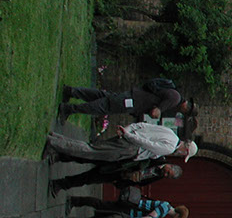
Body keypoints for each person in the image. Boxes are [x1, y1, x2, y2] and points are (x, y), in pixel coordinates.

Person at [45, 122, 197, 165]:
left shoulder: (170, 132)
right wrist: (128, 135)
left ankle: (57, 138)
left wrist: (128, 130)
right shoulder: (169, 148)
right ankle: (54, 143)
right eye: (183, 154)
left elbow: (144, 125)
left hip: (129, 138)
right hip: (131, 147)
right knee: (91, 151)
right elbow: (146, 144)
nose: (181, 155)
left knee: (92, 147)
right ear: (185, 150)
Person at [59, 82, 192, 122]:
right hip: (134, 102)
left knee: (102, 96)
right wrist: (157, 115)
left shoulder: (175, 95)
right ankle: (69, 109)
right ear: (186, 107)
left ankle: (71, 91)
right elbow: (155, 111)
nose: (182, 113)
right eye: (185, 112)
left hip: (135, 97)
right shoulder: (175, 100)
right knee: (105, 106)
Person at [49, 161, 182, 197]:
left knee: (90, 179)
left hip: (120, 177)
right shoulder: (158, 159)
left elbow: (142, 182)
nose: (165, 174)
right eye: (167, 172)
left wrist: (122, 183)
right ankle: (60, 157)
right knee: (89, 169)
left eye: (167, 176)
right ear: (169, 165)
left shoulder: (158, 176)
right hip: (120, 166)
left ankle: (62, 184)